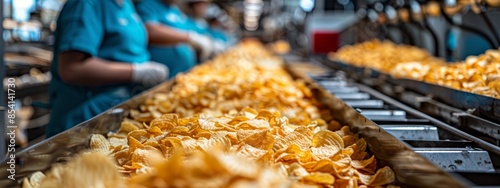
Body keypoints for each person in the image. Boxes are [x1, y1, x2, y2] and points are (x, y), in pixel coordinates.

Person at [46, 0, 169, 137]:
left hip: (120, 112)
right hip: (87, 119)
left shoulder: (126, 4)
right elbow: (71, 69)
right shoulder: (86, 4)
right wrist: (136, 71)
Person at [134, 0, 214, 73]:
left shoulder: (174, 10)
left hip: (183, 71)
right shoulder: (148, 4)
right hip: (163, 72)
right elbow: (149, 30)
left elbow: (186, 28)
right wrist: (190, 37)